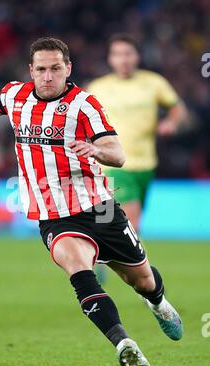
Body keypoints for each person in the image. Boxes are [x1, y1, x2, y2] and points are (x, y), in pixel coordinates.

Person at [0, 37, 182, 366]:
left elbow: (118, 153)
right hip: (53, 215)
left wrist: (95, 150)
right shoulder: (16, 96)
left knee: (142, 280)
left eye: (55, 68)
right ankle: (123, 343)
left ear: (67, 69)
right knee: (81, 274)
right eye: (40, 69)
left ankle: (158, 303)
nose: (47, 76)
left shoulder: (84, 105)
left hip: (99, 208)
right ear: (31, 70)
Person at [87, 33, 188, 232]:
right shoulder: (97, 88)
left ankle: (98, 260)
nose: (123, 59)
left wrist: (170, 122)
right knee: (131, 221)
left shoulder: (153, 83)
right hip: (110, 164)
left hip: (145, 164)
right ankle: (132, 262)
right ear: (110, 58)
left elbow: (178, 108)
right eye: (117, 54)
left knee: (107, 223)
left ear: (137, 56)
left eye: (127, 53)